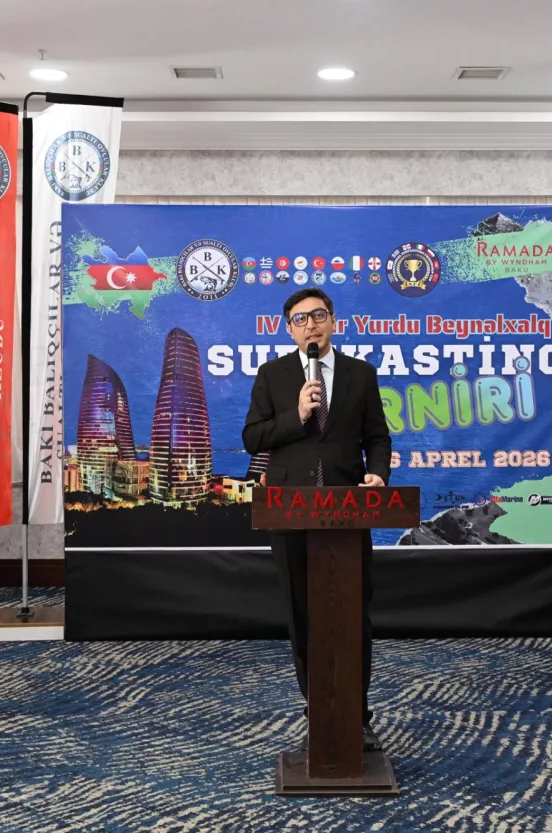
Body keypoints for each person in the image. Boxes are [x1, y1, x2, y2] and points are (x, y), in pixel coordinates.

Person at [242, 288, 392, 751]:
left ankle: (357, 715)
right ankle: (319, 711)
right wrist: (298, 414)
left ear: (333, 322)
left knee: (353, 614)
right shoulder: (273, 375)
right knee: (303, 613)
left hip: (347, 510)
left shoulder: (360, 374)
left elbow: (377, 438)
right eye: (301, 319)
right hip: (290, 509)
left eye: (319, 315)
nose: (311, 325)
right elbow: (252, 437)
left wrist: (378, 474)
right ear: (289, 329)